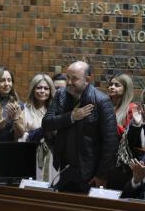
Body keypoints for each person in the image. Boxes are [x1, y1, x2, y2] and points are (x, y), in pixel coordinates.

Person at [42, 61, 118, 193]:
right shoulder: (61, 94)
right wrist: (71, 116)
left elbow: (110, 142)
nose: (69, 82)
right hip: (64, 167)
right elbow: (46, 123)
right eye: (68, 78)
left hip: (89, 172)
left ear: (87, 80)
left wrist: (101, 175)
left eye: (74, 78)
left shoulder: (102, 101)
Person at [0, 66, 24, 182]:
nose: (7, 84)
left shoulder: (18, 104)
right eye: (2, 80)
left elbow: (21, 133)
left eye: (9, 80)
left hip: (10, 153)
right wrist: (4, 121)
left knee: (9, 190)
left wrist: (16, 119)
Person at [21, 74, 57, 182]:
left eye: (46, 88)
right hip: (30, 154)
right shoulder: (24, 109)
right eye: (39, 87)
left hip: (51, 155)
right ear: (33, 89)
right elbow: (21, 135)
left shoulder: (55, 110)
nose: (42, 91)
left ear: (50, 91)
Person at [106, 73, 137, 190]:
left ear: (126, 89)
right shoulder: (105, 105)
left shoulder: (132, 108)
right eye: (110, 84)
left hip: (119, 162)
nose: (112, 87)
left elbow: (129, 135)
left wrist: (110, 122)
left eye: (117, 85)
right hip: (104, 156)